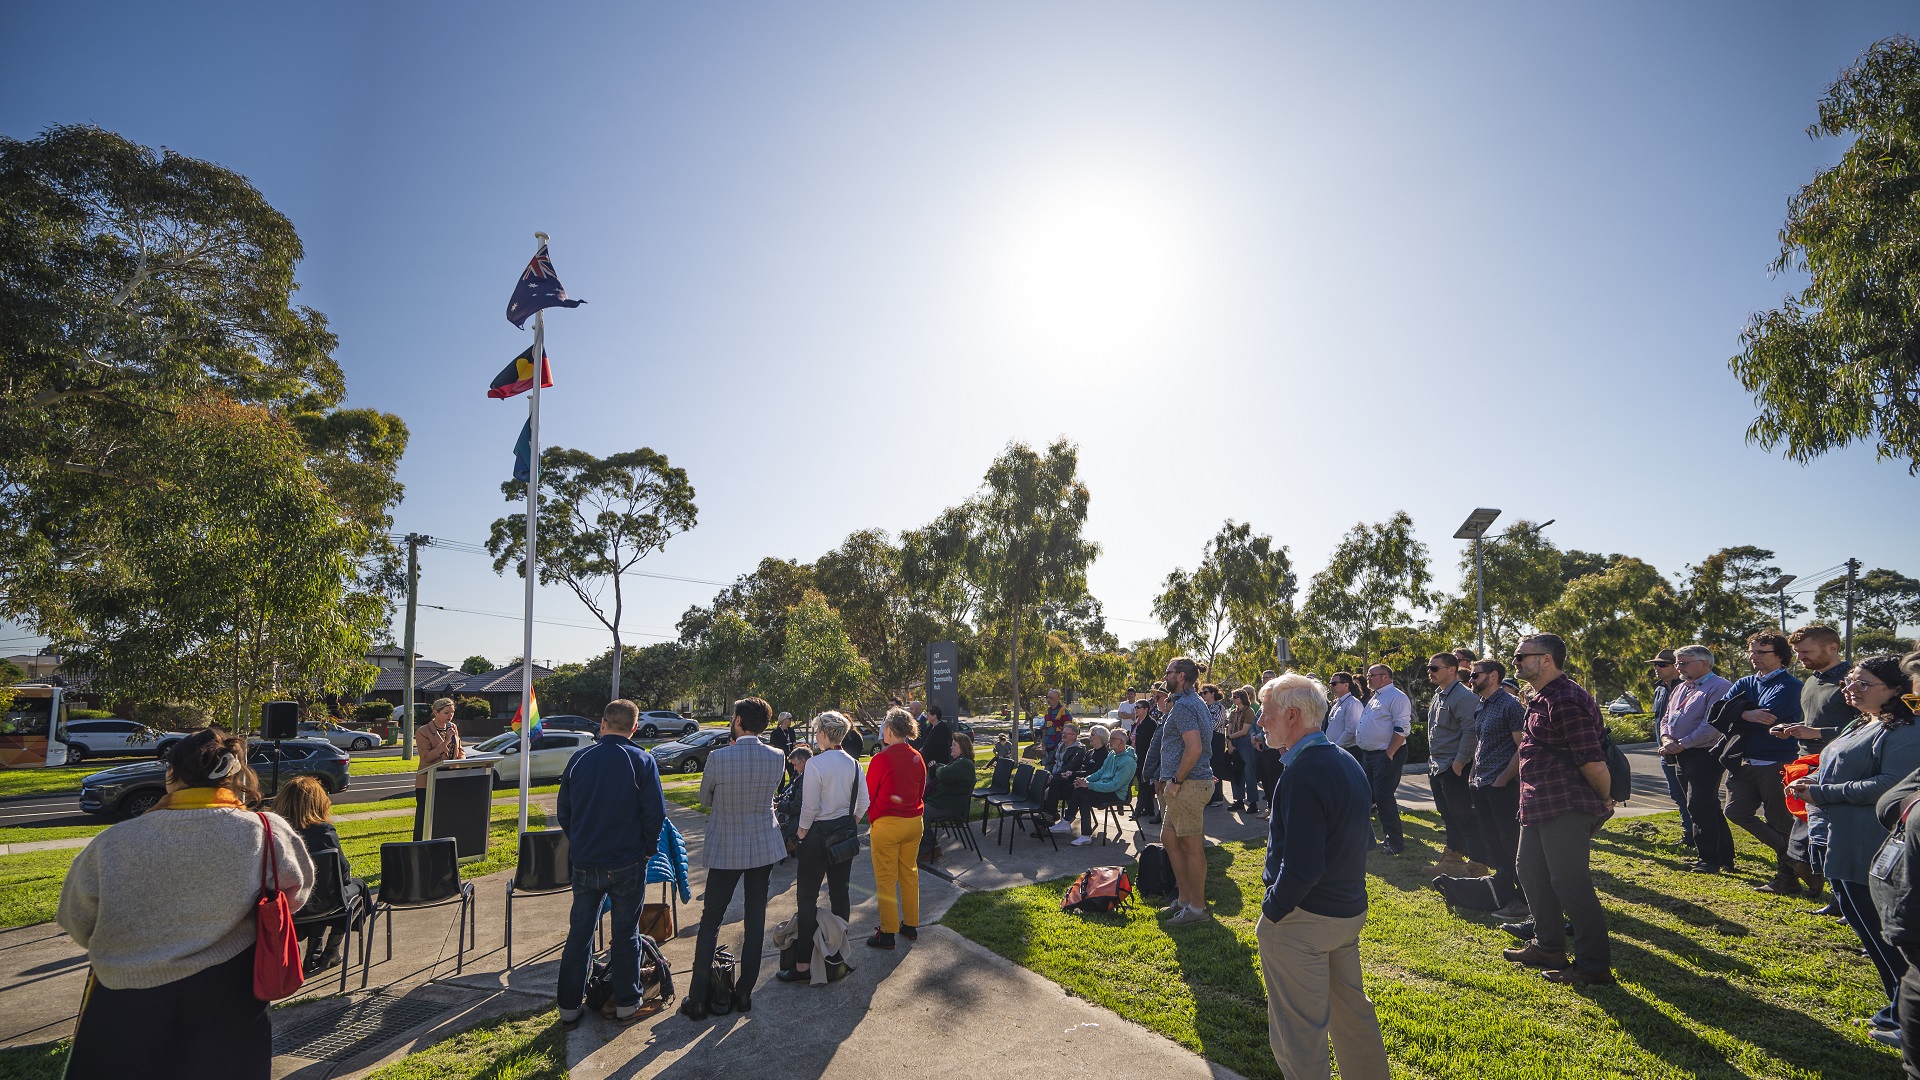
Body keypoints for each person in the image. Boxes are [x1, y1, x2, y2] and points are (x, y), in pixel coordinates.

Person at [57, 727, 314, 1077]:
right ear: (238, 777)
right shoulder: (265, 830)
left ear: (171, 775)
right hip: (230, 991)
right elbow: (294, 894)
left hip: (123, 995)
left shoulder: (114, 841)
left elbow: (77, 918)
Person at [1254, 673, 1391, 1080]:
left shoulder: (1301, 774)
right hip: (1346, 913)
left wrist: (1272, 910)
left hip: (1303, 920)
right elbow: (1361, 841)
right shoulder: (1343, 760)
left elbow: (1302, 867)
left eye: (1266, 713)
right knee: (1353, 1018)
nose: (1261, 722)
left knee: (1299, 1035)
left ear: (1292, 715)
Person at [1785, 655, 1920, 1035]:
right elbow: (1841, 764)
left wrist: (1822, 792)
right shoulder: (1862, 721)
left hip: (1866, 841)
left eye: (1863, 683)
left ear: (1895, 689)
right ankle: (1896, 1008)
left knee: (1884, 934)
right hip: (1837, 835)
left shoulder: (1906, 730)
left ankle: (1904, 1016)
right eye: (1850, 681)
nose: (1850, 689)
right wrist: (1814, 780)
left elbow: (1891, 786)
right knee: (1863, 926)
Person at [1501, 634, 1615, 985]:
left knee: (1570, 882)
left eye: (1521, 657)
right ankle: (1549, 946)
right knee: (1531, 872)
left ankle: (1594, 967)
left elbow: (1592, 759)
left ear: (1546, 659)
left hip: (1565, 803)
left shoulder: (1565, 699)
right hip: (1538, 803)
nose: (1515, 662)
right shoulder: (1542, 697)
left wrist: (1604, 800)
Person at [555, 699, 668, 1029]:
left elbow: (565, 811)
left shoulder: (580, 759)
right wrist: (647, 849)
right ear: (634, 727)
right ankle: (627, 1003)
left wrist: (581, 840)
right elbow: (654, 814)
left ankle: (568, 1006)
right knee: (625, 933)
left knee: (580, 933)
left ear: (602, 723)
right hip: (628, 862)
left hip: (587, 861)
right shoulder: (642, 760)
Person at [680, 697, 787, 1021]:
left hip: (728, 843)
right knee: (756, 917)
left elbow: (704, 798)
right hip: (762, 845)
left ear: (739, 720)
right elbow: (771, 793)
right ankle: (743, 993)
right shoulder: (778, 755)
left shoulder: (719, 757)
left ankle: (698, 999)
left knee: (711, 919)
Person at [779, 711, 870, 982]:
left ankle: (803, 965)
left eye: (817, 732)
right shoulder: (854, 764)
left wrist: (801, 836)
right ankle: (836, 958)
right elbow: (863, 804)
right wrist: (848, 822)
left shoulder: (816, 765)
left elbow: (808, 809)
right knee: (840, 894)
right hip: (844, 834)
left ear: (823, 734)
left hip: (816, 836)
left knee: (807, 899)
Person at [1728, 631, 1807, 895]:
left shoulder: (1790, 686)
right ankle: (1796, 859)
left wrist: (1737, 714)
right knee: (1735, 811)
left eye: (1761, 652)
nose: (1754, 657)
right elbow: (1717, 711)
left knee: (1780, 822)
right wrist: (1747, 713)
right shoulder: (1747, 681)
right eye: (1751, 651)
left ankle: (1787, 880)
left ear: (1781, 655)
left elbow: (1769, 717)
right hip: (1744, 761)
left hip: (1777, 763)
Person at [1789, 624, 1860, 912]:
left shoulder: (1854, 680)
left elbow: (1865, 724)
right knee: (1813, 835)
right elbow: (1812, 722)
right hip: (1808, 763)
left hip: (1841, 766)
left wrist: (1818, 733)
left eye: (1806, 652)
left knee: (1833, 836)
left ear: (1832, 647)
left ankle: (1845, 901)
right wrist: (1794, 730)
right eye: (1798, 653)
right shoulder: (1811, 681)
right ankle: (1835, 898)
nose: (1800, 659)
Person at [274, 774, 370, 977]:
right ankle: (332, 950)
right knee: (355, 887)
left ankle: (314, 951)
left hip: (288, 906)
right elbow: (342, 876)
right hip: (325, 903)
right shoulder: (324, 831)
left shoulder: (274, 832)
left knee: (316, 891)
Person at [1145, 656, 1216, 926]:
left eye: (1168, 672)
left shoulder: (1185, 705)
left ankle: (1197, 909)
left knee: (1191, 845)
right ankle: (1184, 900)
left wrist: (1175, 779)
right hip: (1185, 784)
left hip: (1187, 784)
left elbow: (1194, 748)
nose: (1165, 676)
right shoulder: (1190, 702)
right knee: (1170, 838)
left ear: (1181, 676)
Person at [1658, 646, 1738, 873]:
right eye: (1678, 663)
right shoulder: (1681, 687)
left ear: (1704, 663)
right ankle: (1723, 857)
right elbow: (1666, 717)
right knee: (1706, 805)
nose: (1679, 667)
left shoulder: (1720, 687)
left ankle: (1708, 860)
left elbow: (1711, 726)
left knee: (1699, 805)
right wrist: (1666, 739)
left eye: (1683, 663)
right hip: (1679, 753)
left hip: (1705, 754)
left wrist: (1681, 744)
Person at [1464, 660, 1528, 920]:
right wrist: (1473, 772)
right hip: (1481, 784)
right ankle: (1504, 889)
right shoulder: (1481, 705)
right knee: (1493, 842)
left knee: (1510, 842)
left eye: (1474, 674)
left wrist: (1503, 779)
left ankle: (1524, 899)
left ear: (1492, 676)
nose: (1470, 678)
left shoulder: (1510, 705)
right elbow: (1482, 744)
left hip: (1502, 787)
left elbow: (1522, 748)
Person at [865, 708, 927, 950]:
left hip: (888, 824)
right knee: (909, 874)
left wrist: (872, 816)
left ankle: (888, 932)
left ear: (889, 731)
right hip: (914, 822)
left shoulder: (881, 759)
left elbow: (869, 794)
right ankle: (910, 925)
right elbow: (921, 789)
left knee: (886, 879)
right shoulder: (917, 757)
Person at [1425, 652, 1485, 874]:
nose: (1429, 672)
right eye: (1429, 668)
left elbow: (1471, 732)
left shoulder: (1464, 697)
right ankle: (1453, 861)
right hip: (1438, 766)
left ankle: (1478, 865)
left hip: (1454, 767)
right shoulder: (1439, 694)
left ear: (1452, 669)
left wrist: (1459, 763)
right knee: (1448, 814)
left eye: (1434, 668)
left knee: (1465, 817)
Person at [1355, 665, 1413, 855]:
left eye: (1372, 675)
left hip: (1386, 754)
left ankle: (1396, 843)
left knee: (1383, 797)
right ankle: (1386, 838)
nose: (1368, 678)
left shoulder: (1396, 697)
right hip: (1371, 755)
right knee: (1370, 796)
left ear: (1386, 677)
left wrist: (1389, 752)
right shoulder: (1377, 696)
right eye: (1369, 675)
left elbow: (1402, 728)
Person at [1645, 649, 1693, 846]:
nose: (1656, 668)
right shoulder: (1660, 689)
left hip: (1688, 750)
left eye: (1662, 664)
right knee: (1677, 794)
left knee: (1692, 796)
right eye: (1655, 664)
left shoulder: (1688, 688)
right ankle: (1689, 834)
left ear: (1677, 666)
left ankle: (1696, 836)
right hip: (1666, 752)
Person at [1070, 728, 1138, 845]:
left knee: (1083, 794)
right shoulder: (1112, 754)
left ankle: (1077, 827)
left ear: (1121, 742)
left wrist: (1089, 785)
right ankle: (1073, 824)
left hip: (1116, 794)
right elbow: (1100, 772)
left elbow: (1114, 786)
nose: (1109, 741)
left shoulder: (1127, 762)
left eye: (1112, 739)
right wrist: (1085, 780)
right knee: (1080, 789)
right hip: (1106, 789)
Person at [921, 732, 978, 863]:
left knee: (922, 813)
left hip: (953, 807)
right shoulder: (958, 762)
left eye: (954, 745)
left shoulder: (965, 764)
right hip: (945, 802)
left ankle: (930, 849)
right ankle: (927, 846)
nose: (951, 747)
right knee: (920, 808)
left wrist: (939, 767)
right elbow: (943, 772)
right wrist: (940, 768)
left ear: (962, 748)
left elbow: (944, 774)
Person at [414, 697, 464, 841]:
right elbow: (426, 757)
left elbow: (460, 749)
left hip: (448, 779)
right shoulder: (423, 731)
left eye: (452, 712)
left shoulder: (453, 727)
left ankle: (443, 843)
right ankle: (420, 844)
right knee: (425, 817)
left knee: (445, 815)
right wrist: (447, 741)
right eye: (446, 713)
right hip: (428, 781)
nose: (450, 716)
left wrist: (461, 762)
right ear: (436, 712)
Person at [1038, 722, 1090, 834]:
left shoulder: (1079, 750)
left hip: (1067, 778)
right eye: (1063, 732)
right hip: (1054, 775)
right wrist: (1048, 773)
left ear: (1074, 736)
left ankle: (1050, 814)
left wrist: (1053, 776)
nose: (1064, 735)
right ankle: (1044, 816)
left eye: (1067, 733)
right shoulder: (1060, 745)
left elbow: (1069, 767)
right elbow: (1051, 760)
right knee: (1038, 781)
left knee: (1054, 783)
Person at [1226, 687, 1261, 813]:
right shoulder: (1233, 712)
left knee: (1248, 772)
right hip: (1234, 742)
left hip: (1245, 743)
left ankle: (1253, 802)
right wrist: (1229, 743)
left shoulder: (1249, 711)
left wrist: (1230, 737)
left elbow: (1245, 731)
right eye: (1233, 697)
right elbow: (1229, 728)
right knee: (1236, 773)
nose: (1233, 699)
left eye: (1235, 697)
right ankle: (1238, 800)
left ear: (1242, 697)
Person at [1324, 673, 1365, 765]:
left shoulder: (1352, 703)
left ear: (1346, 685)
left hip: (1348, 750)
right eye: (1330, 683)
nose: (1331, 686)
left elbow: (1351, 730)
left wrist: (1336, 745)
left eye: (1334, 683)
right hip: (1337, 750)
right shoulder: (1337, 703)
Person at [1131, 697, 1161, 822]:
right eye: (1135, 707)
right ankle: (1149, 809)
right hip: (1135, 757)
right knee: (1144, 784)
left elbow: (1151, 743)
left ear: (1146, 709)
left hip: (1146, 758)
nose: (1136, 709)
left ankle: (1137, 811)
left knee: (1144, 785)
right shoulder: (1136, 723)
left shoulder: (1150, 724)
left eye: (1138, 707)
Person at [917, 703, 955, 770]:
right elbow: (925, 740)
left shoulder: (941, 728)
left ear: (934, 716)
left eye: (928, 715)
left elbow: (938, 745)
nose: (927, 717)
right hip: (927, 760)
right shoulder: (930, 727)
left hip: (937, 761)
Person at [1039, 688, 1070, 767]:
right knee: (1047, 767)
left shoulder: (1063, 711)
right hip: (1048, 746)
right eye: (1047, 697)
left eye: (1051, 698)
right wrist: (1043, 745)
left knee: (1055, 767)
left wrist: (1063, 745)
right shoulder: (1048, 711)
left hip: (1059, 745)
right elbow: (1045, 729)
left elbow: (1069, 729)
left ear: (1057, 699)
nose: (1048, 700)